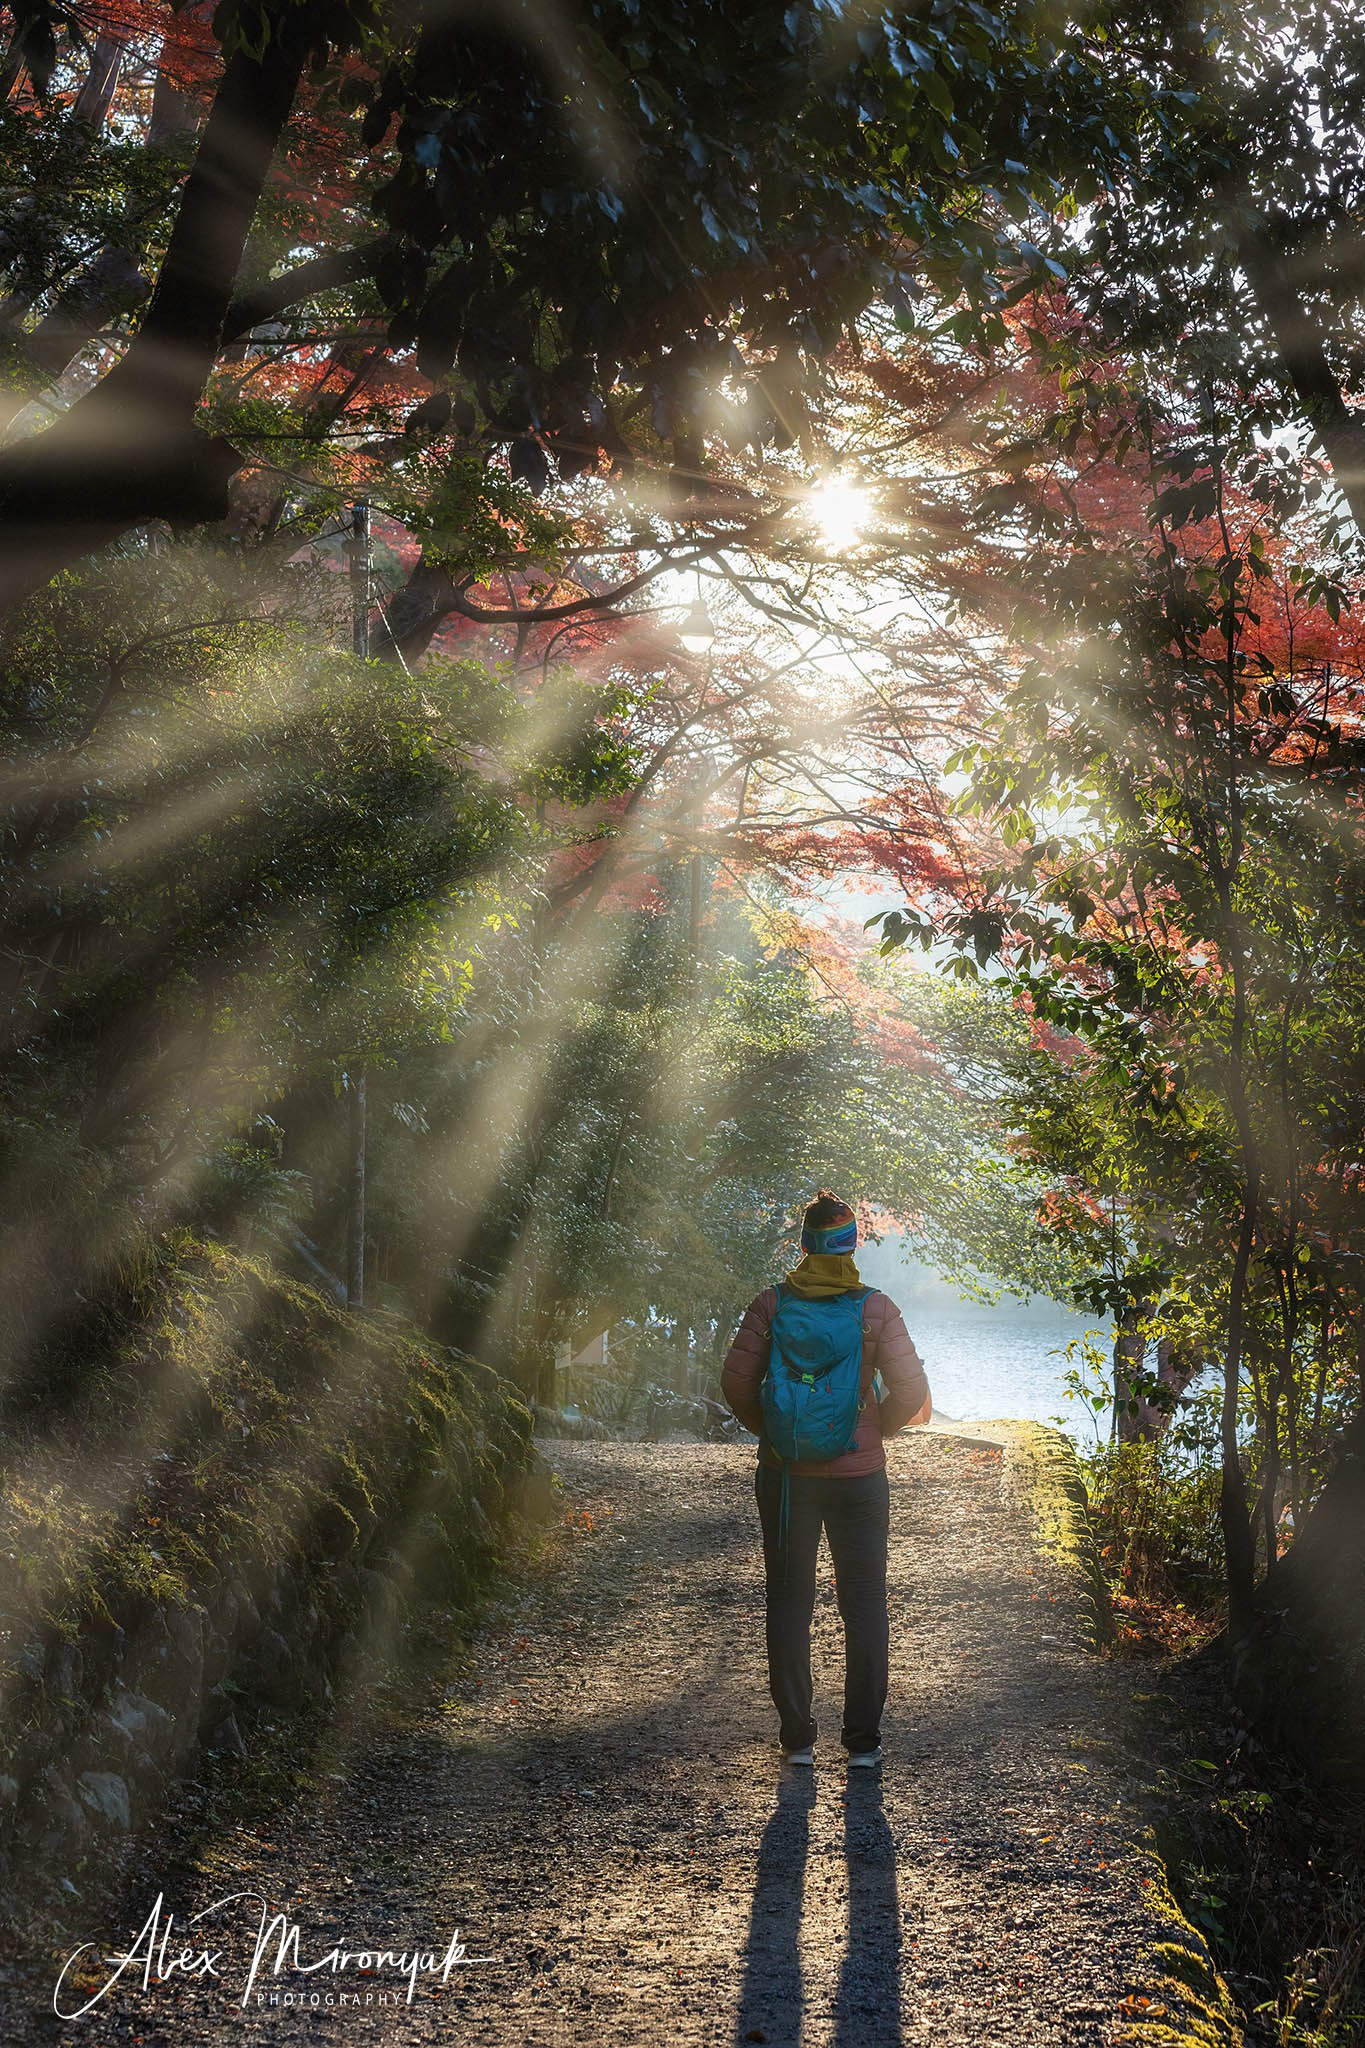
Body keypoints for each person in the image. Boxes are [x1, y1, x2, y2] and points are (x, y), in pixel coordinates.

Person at [721, 1189, 931, 1769]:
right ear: (851, 1247)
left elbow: (736, 1382)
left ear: (804, 1246)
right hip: (859, 1478)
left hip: (787, 1477)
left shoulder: (771, 1304)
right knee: (864, 1602)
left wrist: (778, 1435)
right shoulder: (876, 1310)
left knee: (790, 1599)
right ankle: (862, 1743)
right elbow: (911, 1389)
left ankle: (797, 1740)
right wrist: (875, 1431)